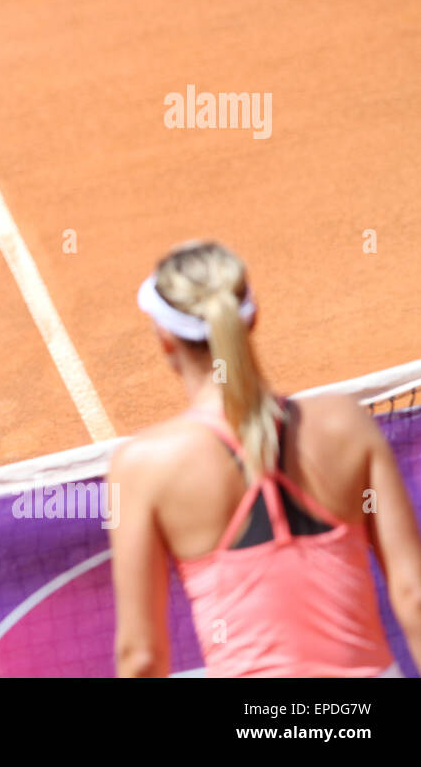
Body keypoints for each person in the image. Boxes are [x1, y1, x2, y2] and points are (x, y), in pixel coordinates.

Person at [108, 240, 421, 677]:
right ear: (252, 318)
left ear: (165, 339)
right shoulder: (347, 426)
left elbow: (141, 657)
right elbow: (414, 596)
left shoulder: (143, 466)